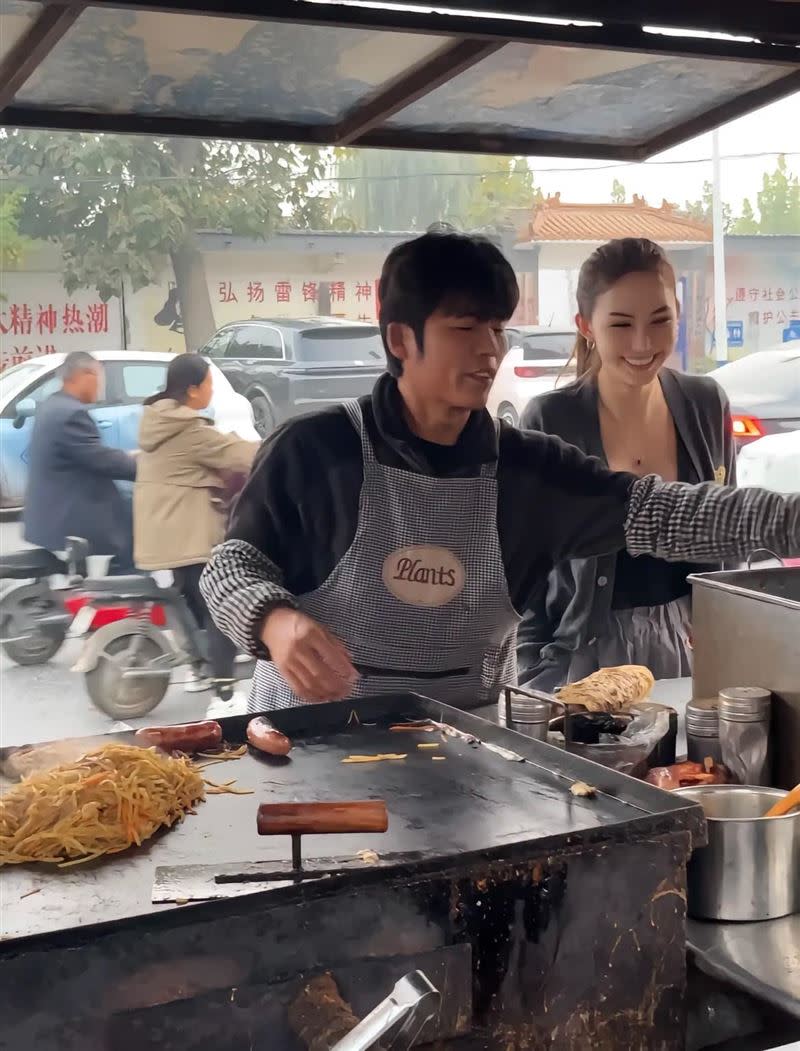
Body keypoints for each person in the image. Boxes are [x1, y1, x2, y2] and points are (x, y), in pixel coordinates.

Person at [199, 229, 799, 713]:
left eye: (496, 328)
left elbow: (668, 513)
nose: (490, 350)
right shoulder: (315, 451)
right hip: (309, 749)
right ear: (401, 339)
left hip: (467, 763)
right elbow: (229, 566)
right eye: (465, 329)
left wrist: (791, 521)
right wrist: (273, 621)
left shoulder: (527, 472)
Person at [517, 238, 737, 691]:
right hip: (582, 662)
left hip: (690, 655)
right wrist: (535, 682)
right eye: (621, 324)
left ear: (678, 311)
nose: (643, 343)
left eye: (660, 320)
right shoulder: (549, 419)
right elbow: (526, 576)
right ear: (586, 326)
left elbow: (728, 539)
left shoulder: (705, 404)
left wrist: (732, 649)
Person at [133, 355, 259, 716]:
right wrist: (279, 446)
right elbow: (237, 454)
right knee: (221, 610)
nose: (211, 392)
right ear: (192, 389)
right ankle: (224, 697)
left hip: (163, 534)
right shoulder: (187, 428)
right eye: (208, 384)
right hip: (187, 537)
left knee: (193, 605)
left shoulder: (158, 420)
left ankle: (197, 670)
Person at [24, 351, 136, 570]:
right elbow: (102, 460)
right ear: (84, 376)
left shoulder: (53, 404)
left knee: (125, 499)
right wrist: (148, 467)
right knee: (133, 525)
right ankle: (123, 590)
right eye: (99, 377)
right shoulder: (71, 414)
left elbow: (88, 452)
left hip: (53, 503)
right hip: (69, 511)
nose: (100, 386)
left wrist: (128, 457)